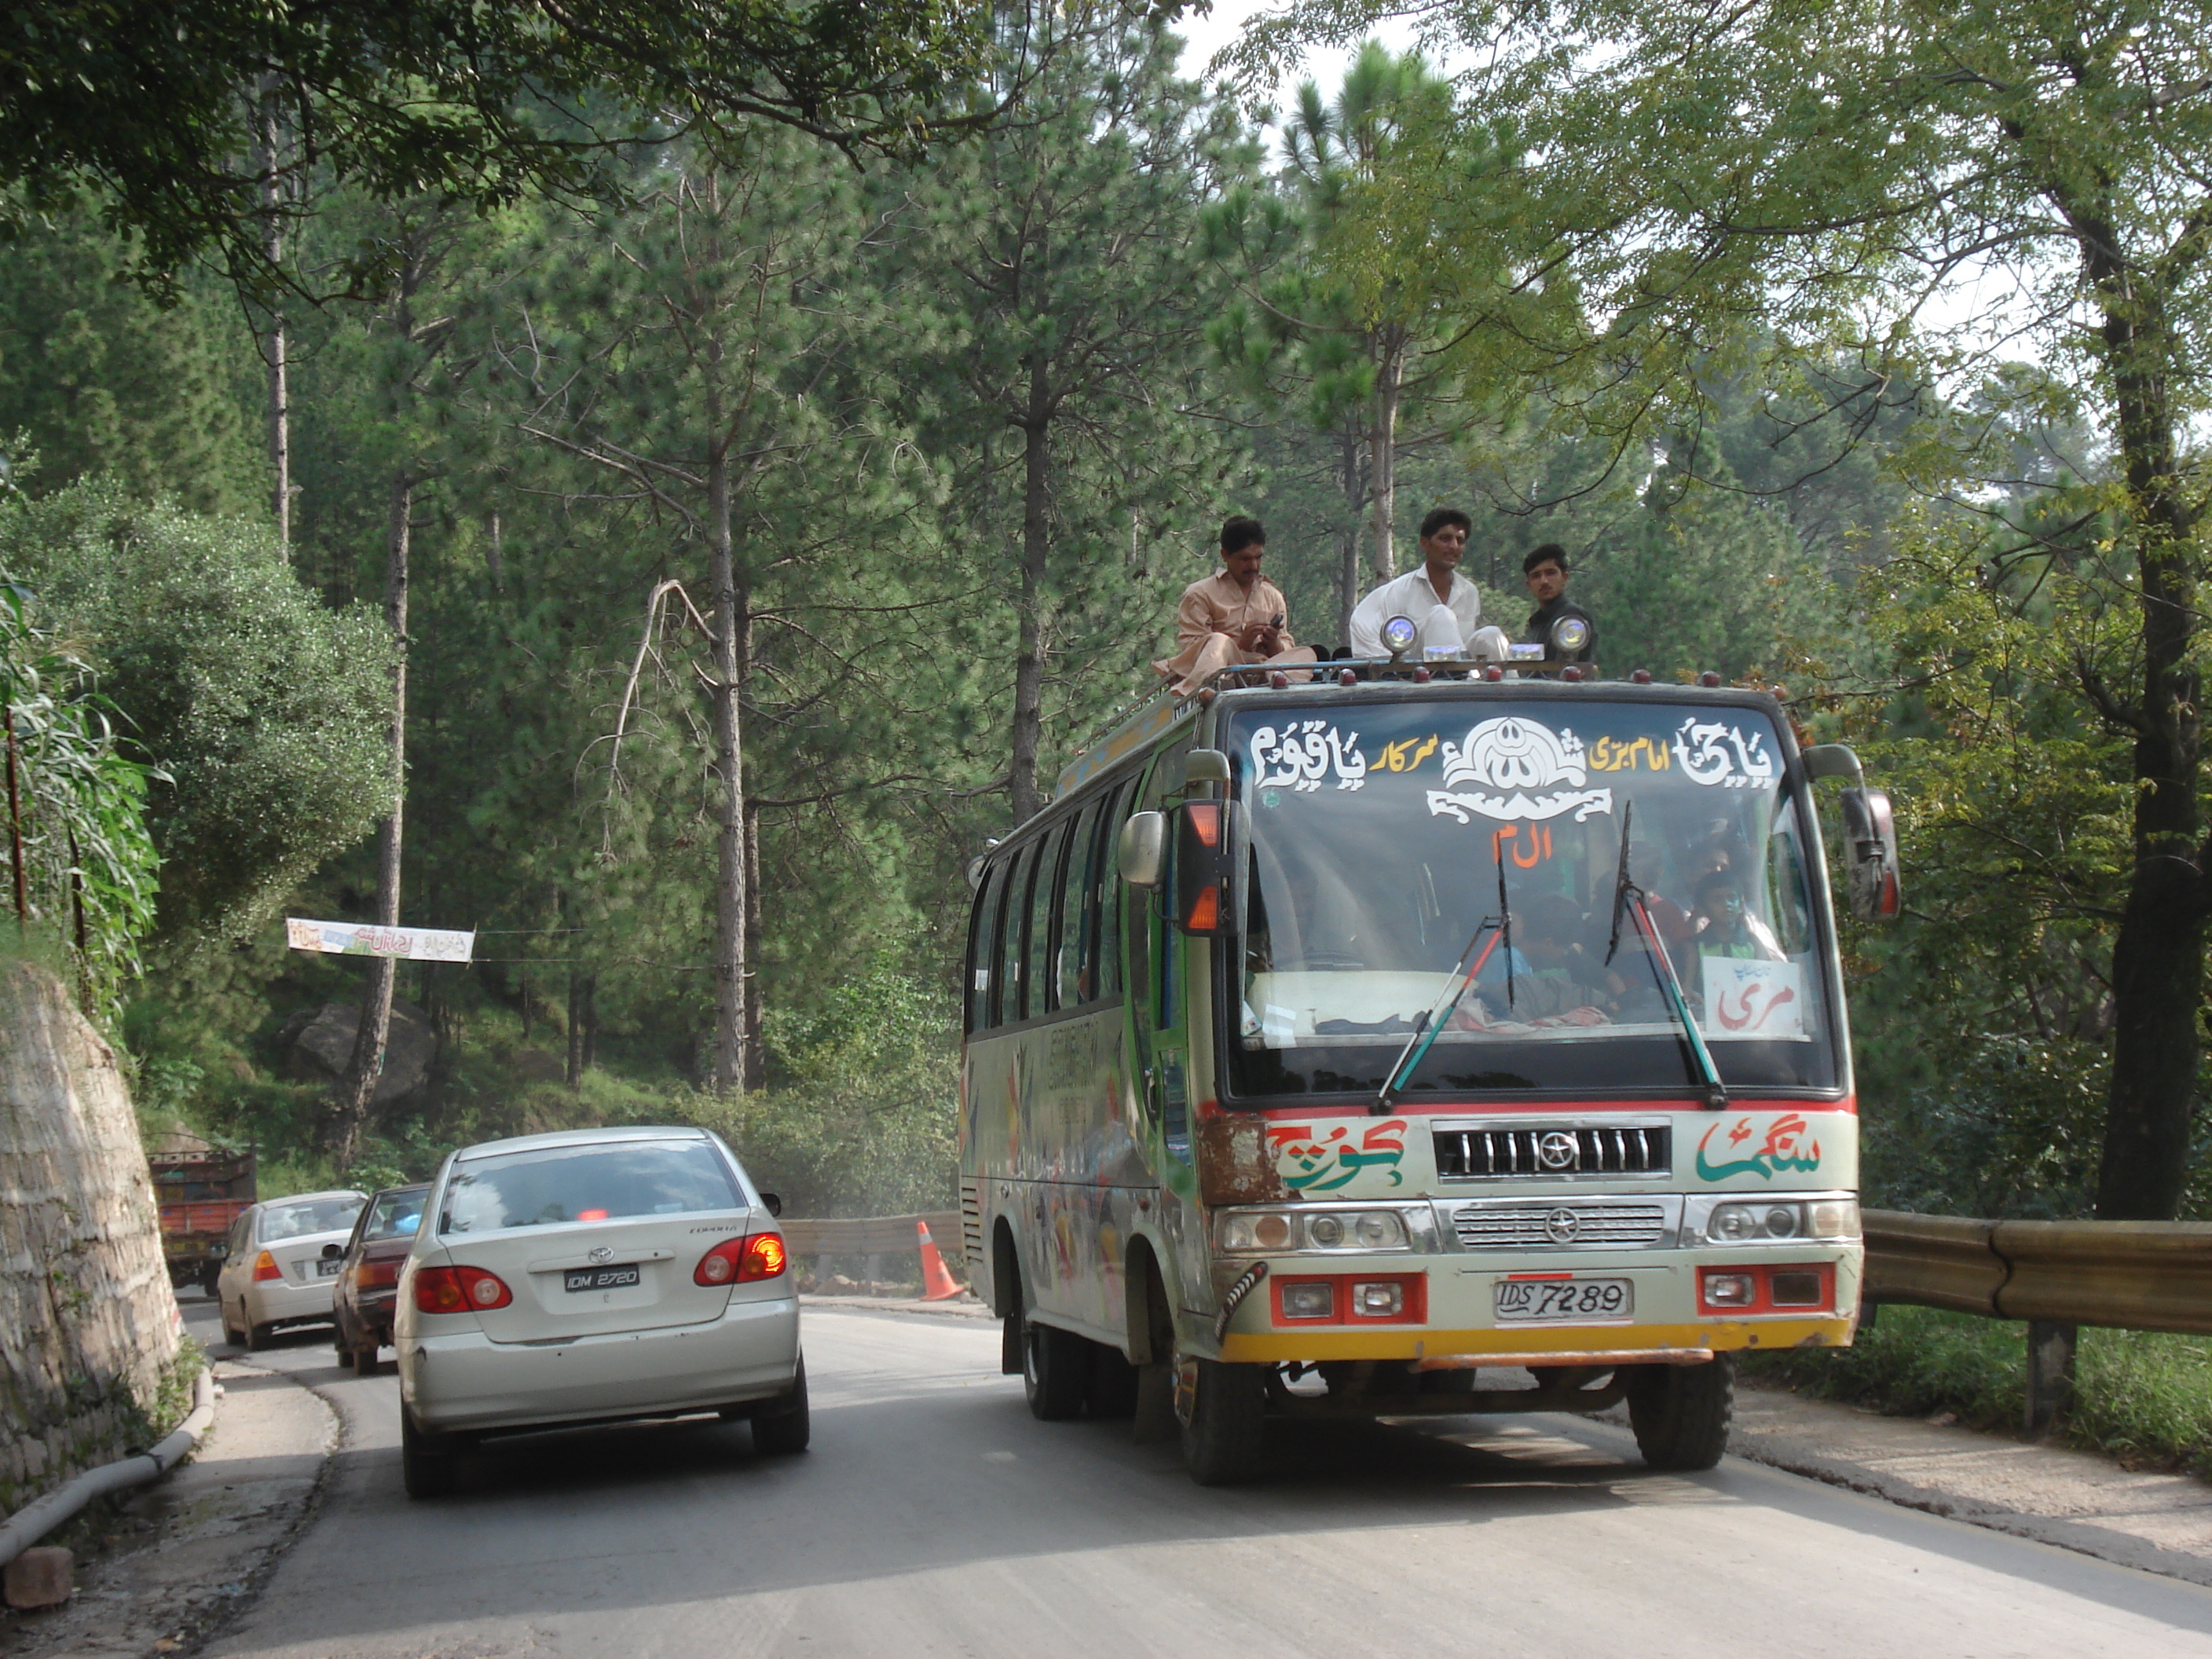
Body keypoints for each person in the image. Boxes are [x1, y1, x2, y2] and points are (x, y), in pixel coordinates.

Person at [1152, 516, 1319, 697]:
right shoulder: (1200, 593)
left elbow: (1286, 647)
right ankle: (1206, 691)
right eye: (1245, 559)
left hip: (1264, 672)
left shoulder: (1273, 596)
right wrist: (1241, 644)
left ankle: (1284, 691)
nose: (1254, 566)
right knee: (1219, 641)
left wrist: (1274, 643)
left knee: (1307, 653)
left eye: (1258, 558)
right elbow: (1193, 651)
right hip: (1226, 674)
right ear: (1225, 555)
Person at [1348, 508, 1512, 661]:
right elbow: (1367, 646)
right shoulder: (1397, 593)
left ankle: (1512, 691)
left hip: (1467, 675)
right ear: (1425, 544)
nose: (1454, 546)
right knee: (1441, 615)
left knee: (1492, 635)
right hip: (1417, 682)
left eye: (1460, 540)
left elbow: (1464, 645)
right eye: (1445, 539)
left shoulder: (1469, 592)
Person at [1522, 544, 1596, 663]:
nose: (1544, 581)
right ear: (1529, 585)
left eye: (1550, 573)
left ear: (1564, 577)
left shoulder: (1572, 617)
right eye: (1536, 576)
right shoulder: (1537, 622)